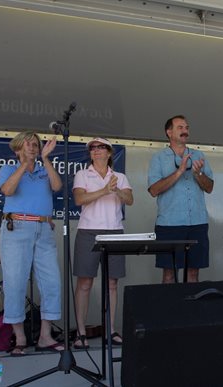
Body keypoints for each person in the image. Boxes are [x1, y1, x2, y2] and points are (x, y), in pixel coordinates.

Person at [0, 131, 64, 356]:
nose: (33, 147)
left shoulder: (44, 169)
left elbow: (57, 186)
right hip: (16, 228)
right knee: (15, 283)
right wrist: (23, 164)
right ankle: (20, 338)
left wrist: (45, 159)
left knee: (52, 282)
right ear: (17, 148)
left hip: (43, 229)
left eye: (36, 144)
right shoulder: (8, 169)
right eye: (28, 145)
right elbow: (8, 190)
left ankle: (45, 336)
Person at [72, 138, 133, 349]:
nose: (96, 151)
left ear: (109, 153)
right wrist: (105, 190)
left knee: (112, 283)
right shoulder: (82, 174)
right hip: (88, 231)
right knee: (85, 282)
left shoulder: (120, 177)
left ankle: (110, 330)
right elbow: (79, 199)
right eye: (93, 148)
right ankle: (81, 333)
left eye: (100, 148)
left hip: (114, 231)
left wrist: (115, 190)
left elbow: (130, 199)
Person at [148, 115, 214, 283]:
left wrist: (198, 174)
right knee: (169, 273)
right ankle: (168, 309)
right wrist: (179, 171)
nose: (185, 131)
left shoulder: (198, 155)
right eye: (180, 128)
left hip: (197, 223)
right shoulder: (159, 158)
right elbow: (154, 190)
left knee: (193, 272)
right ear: (169, 132)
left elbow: (209, 187)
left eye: (186, 127)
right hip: (169, 225)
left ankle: (191, 309)